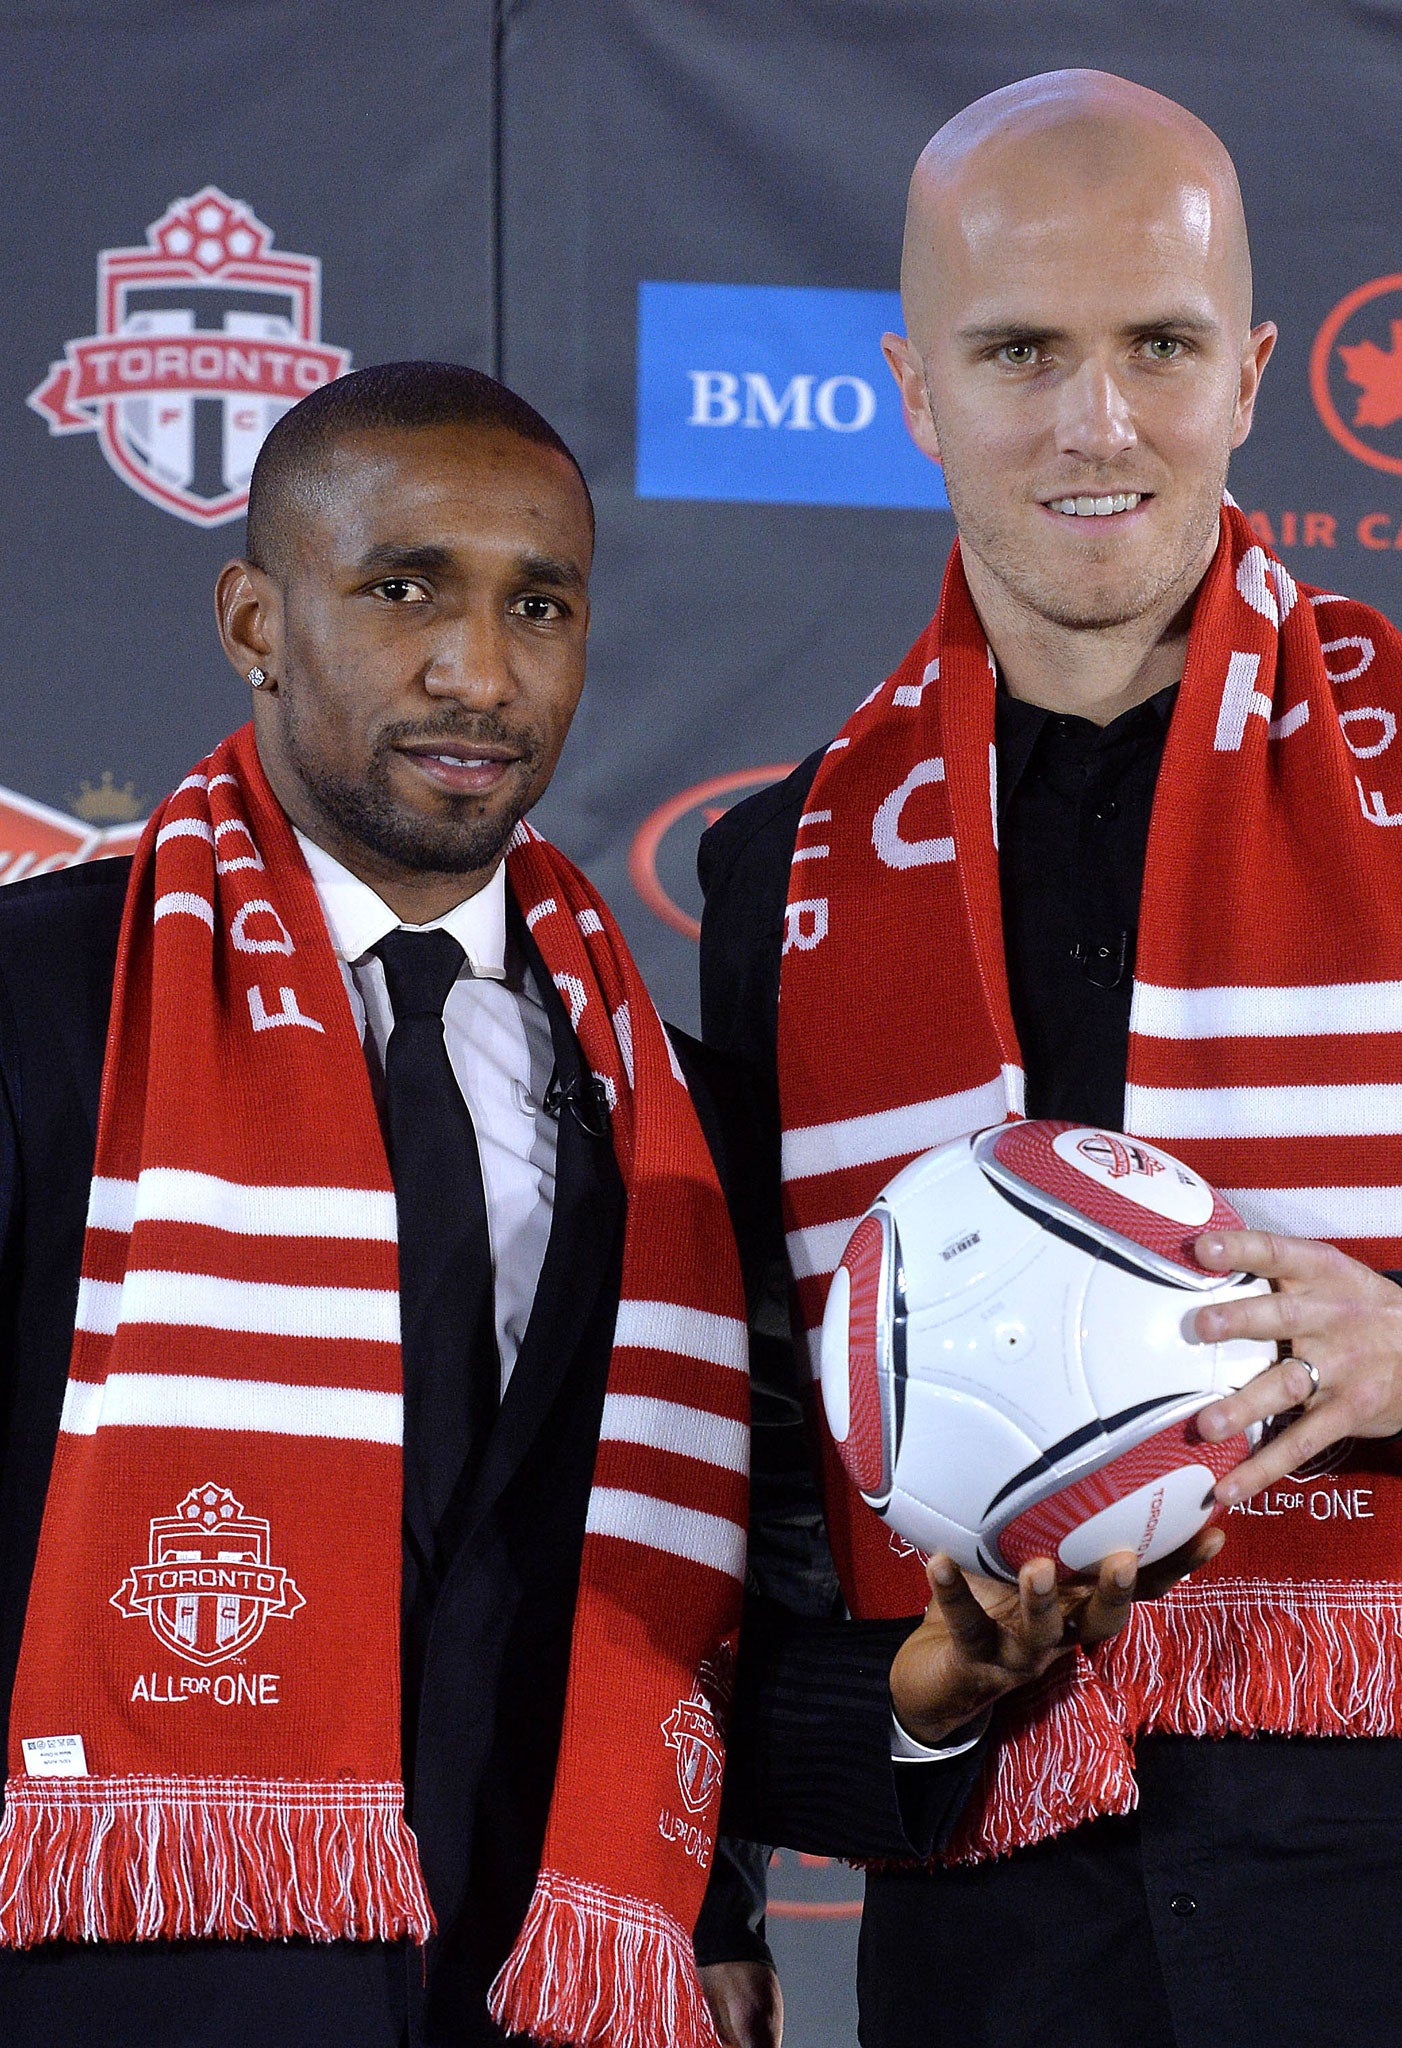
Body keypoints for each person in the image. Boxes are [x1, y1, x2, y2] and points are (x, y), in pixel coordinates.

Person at [0, 361, 1167, 2048]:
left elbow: (697, 1646)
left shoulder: (683, 1113)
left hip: (551, 2001)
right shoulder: (46, 1004)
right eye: (404, 588)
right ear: (255, 617)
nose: (478, 670)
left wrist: (934, 1691)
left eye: (537, 604)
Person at [699, 71, 1402, 2048]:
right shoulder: (785, 869)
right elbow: (767, 1470)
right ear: (914, 387)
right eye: (1022, 353)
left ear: (1250, 372)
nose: (1099, 425)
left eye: (1157, 346)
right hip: (995, 1953)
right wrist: (778, 1814)